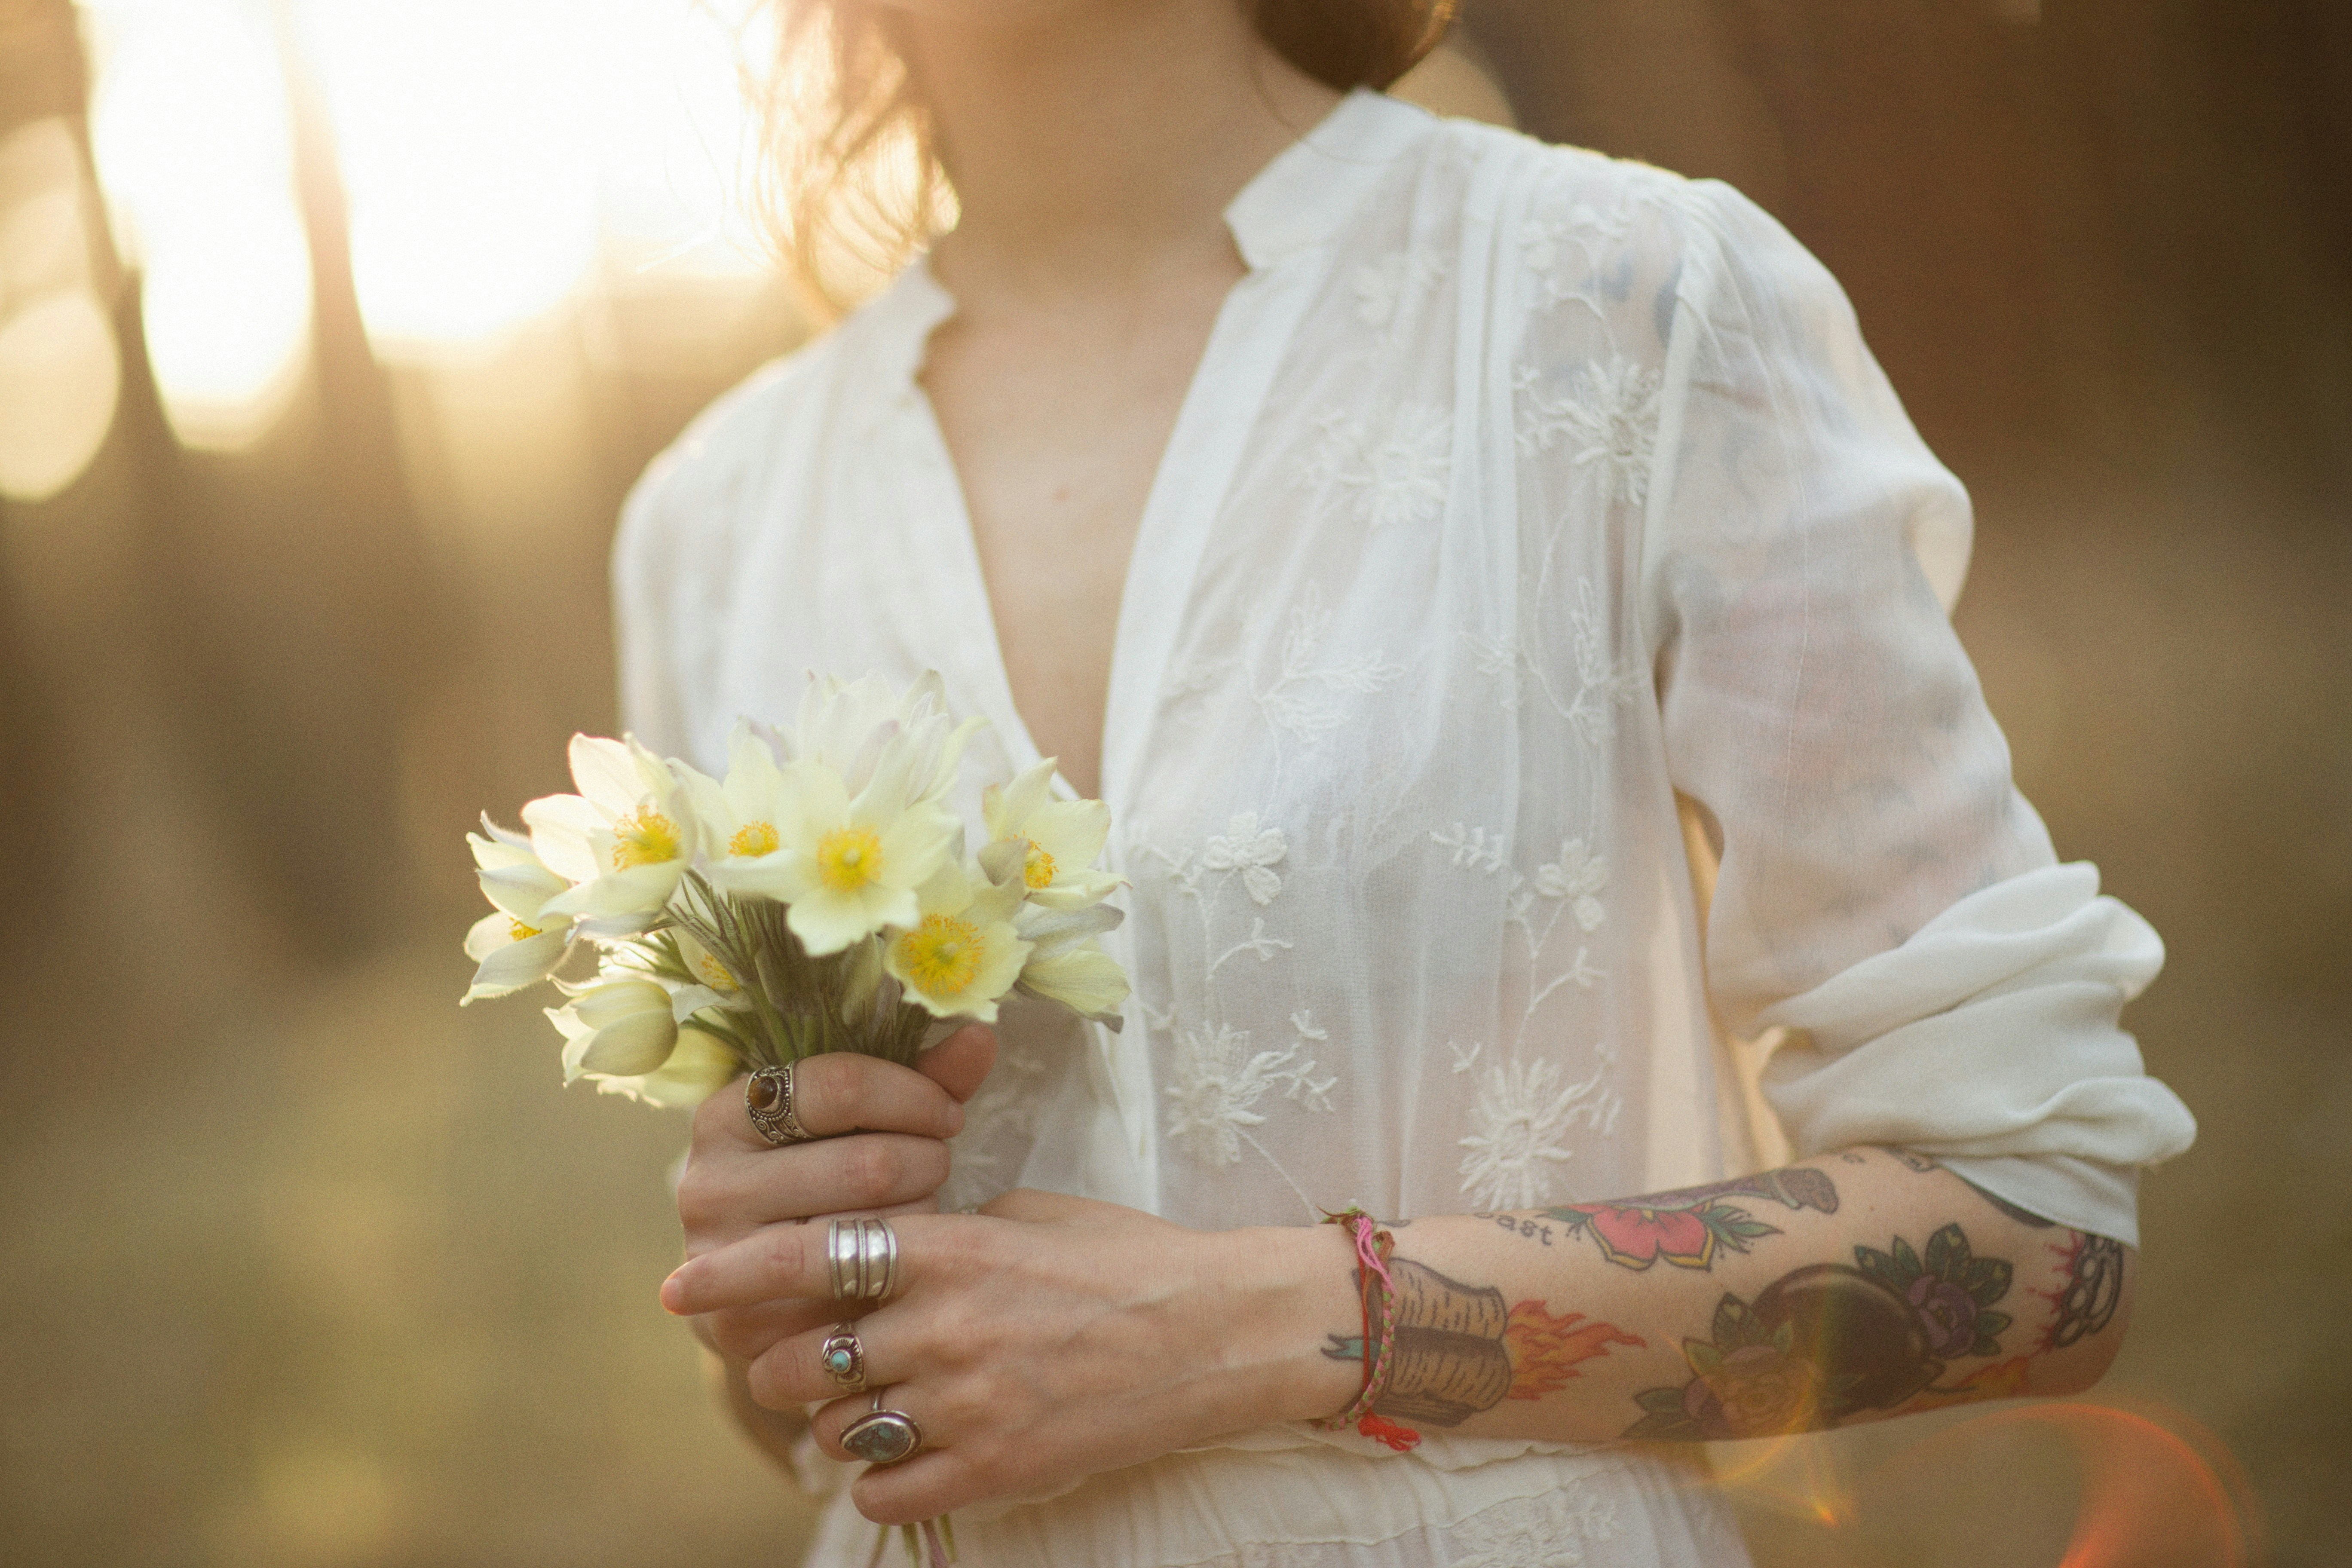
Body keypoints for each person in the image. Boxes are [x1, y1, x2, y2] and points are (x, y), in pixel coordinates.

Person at [621, 3, 2197, 1563]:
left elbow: (2037, 1233)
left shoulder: (1634, 302)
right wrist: (772, 1309)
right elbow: (796, 1413)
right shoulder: (714, 523)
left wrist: (1248, 1333)